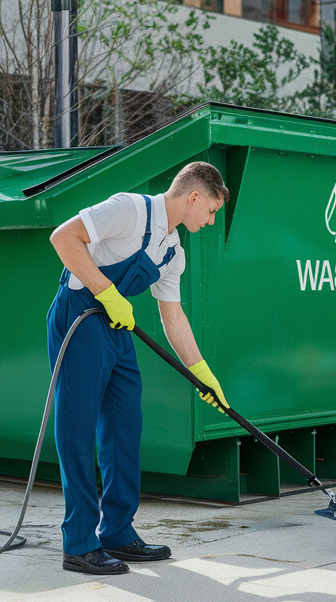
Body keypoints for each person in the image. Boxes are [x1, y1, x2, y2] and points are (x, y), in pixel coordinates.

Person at [47, 161, 231, 575]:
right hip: (79, 316)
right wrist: (107, 291)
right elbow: (63, 238)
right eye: (212, 211)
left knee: (125, 425)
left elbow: (173, 317)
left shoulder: (173, 252)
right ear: (195, 197)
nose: (210, 220)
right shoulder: (130, 210)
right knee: (77, 429)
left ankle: (117, 530)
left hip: (115, 325)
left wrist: (201, 372)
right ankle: (78, 543)